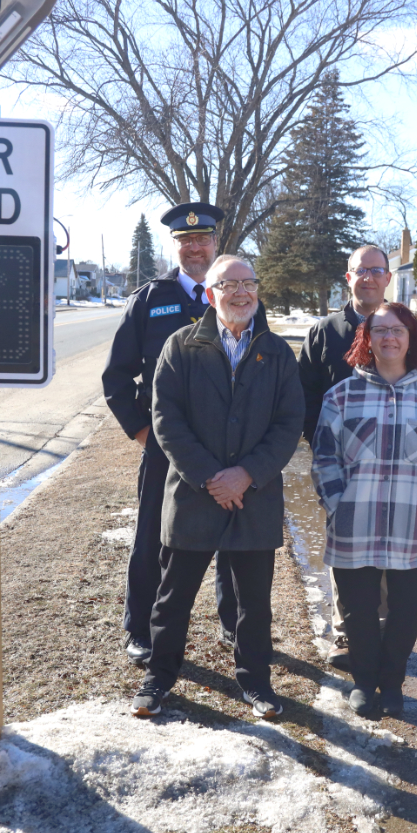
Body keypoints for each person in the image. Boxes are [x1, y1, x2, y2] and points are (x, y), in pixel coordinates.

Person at [132, 256, 304, 720]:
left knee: (254, 604)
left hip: (255, 497)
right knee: (172, 598)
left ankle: (256, 682)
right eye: (230, 284)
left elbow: (290, 424)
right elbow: (165, 419)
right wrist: (211, 476)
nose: (242, 293)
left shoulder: (277, 352)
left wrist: (246, 474)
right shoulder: (180, 346)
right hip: (193, 496)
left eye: (250, 283)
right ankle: (160, 676)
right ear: (211, 294)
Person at [101, 202, 239, 666]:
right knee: (152, 539)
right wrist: (144, 433)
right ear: (175, 246)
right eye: (186, 240)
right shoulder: (148, 301)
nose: (195, 247)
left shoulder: (235, 295)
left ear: (215, 243)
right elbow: (116, 379)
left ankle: (234, 626)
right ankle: (140, 629)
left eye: (202, 239)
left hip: (226, 446)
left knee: (233, 538)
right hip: (165, 447)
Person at [311, 302, 417, 717]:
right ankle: (363, 680)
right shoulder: (341, 395)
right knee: (357, 608)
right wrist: (336, 503)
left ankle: (392, 682)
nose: (389, 338)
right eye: (379, 331)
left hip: (416, 523)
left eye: (397, 330)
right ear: (367, 339)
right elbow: (324, 455)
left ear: (411, 338)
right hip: (353, 523)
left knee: (409, 607)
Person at [298, 244, 393, 671]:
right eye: (361, 271)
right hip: (341, 466)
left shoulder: (403, 327)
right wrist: (323, 454)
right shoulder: (324, 333)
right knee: (345, 548)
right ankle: (346, 628)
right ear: (348, 277)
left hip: (394, 465)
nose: (369, 278)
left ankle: (387, 626)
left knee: (390, 546)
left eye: (377, 270)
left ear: (388, 278)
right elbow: (304, 398)